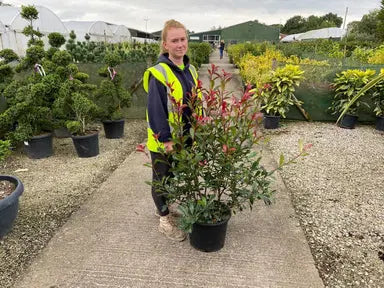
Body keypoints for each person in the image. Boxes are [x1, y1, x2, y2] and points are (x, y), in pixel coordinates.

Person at [143, 19, 200, 242]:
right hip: (164, 140)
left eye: (183, 39)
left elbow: (195, 101)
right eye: (174, 40)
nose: (180, 44)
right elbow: (156, 109)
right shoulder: (158, 73)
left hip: (185, 137)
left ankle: (164, 209)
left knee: (173, 177)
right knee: (162, 180)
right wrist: (166, 140)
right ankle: (164, 221)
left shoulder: (190, 69)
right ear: (165, 44)